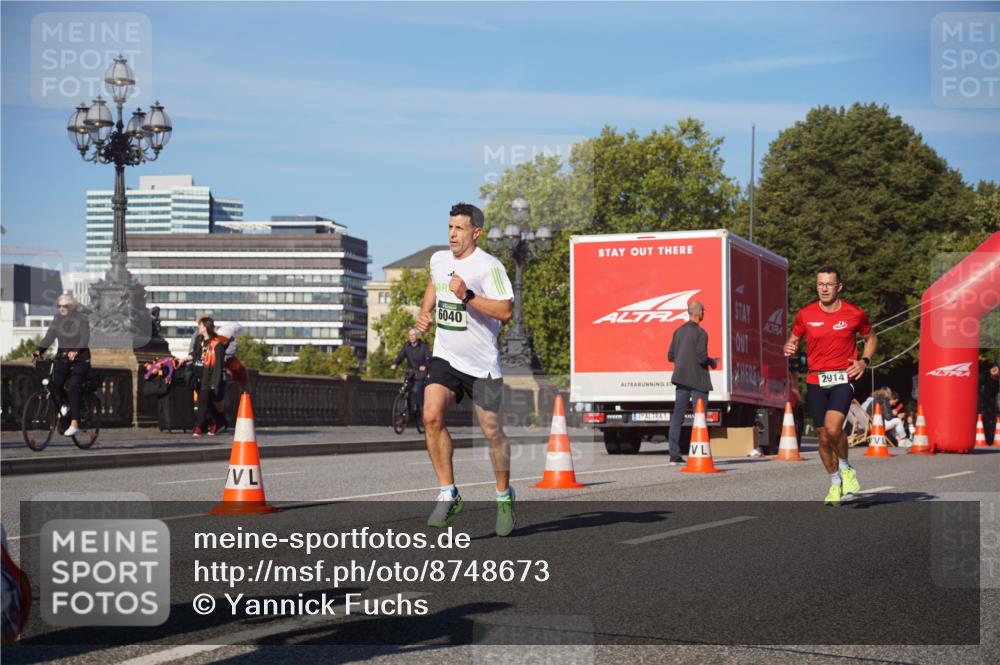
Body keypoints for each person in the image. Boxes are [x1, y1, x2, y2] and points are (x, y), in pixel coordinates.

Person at [415, 202, 516, 536]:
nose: (452, 234)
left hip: (482, 364)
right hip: (445, 357)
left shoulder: (489, 266)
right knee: (430, 416)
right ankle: (449, 492)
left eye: (459, 228)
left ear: (476, 232)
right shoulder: (438, 259)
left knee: (492, 433)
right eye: (449, 227)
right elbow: (434, 283)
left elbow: (505, 312)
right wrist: (425, 314)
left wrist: (469, 295)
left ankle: (504, 497)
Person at [785, 266, 877, 505]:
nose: (824, 289)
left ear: (839, 287)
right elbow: (794, 338)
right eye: (820, 284)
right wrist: (790, 346)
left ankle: (846, 467)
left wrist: (864, 361)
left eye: (828, 284)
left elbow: (871, 337)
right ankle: (835, 482)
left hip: (843, 378)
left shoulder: (854, 314)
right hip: (816, 380)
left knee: (834, 428)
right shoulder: (805, 314)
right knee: (824, 437)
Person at [666, 301, 719, 465]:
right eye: (703, 310)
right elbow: (701, 357)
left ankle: (674, 455)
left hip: (681, 380)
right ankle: (699, 453)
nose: (704, 312)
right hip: (698, 381)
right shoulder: (701, 333)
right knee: (700, 418)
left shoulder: (678, 331)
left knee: (677, 417)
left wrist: (683, 359)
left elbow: (670, 356)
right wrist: (712, 362)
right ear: (698, 313)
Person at [32, 294, 90, 437]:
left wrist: (75, 351)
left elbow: (85, 338)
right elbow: (49, 336)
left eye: (65, 306)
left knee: (73, 387)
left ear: (73, 307)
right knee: (54, 384)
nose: (62, 309)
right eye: (59, 306)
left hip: (80, 360)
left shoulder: (81, 319)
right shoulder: (57, 319)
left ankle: (75, 423)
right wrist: (39, 350)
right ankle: (65, 405)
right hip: (63, 358)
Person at [183, 317, 228, 437]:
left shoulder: (217, 344)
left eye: (200, 325)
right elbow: (195, 354)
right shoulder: (199, 339)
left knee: (202, 403)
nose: (199, 327)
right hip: (198, 375)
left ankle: (198, 428)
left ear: (205, 327)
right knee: (207, 403)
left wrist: (215, 383)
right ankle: (217, 423)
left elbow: (218, 365)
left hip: (209, 377)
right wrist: (185, 359)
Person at [391, 328, 431, 420]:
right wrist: (395, 363)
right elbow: (401, 356)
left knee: (416, 390)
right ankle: (401, 416)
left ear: (417, 336)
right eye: (410, 335)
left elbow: (428, 359)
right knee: (403, 391)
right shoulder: (406, 346)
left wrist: (424, 366)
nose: (411, 337)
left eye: (413, 335)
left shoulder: (424, 346)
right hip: (410, 373)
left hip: (420, 374)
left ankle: (421, 410)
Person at [978, 361, 999, 446]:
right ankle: (988, 438)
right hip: (983, 402)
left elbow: (994, 390)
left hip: (988, 403)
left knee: (989, 419)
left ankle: (989, 439)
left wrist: (994, 377)